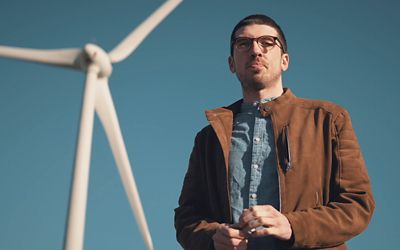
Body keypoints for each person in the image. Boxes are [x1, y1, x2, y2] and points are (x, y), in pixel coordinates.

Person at [174, 14, 375, 250]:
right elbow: (187, 217)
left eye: (267, 43)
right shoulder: (208, 139)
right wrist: (211, 238)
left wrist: (292, 226)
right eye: (243, 44)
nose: (255, 50)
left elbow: (358, 204)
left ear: (285, 60)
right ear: (231, 63)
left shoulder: (328, 119)